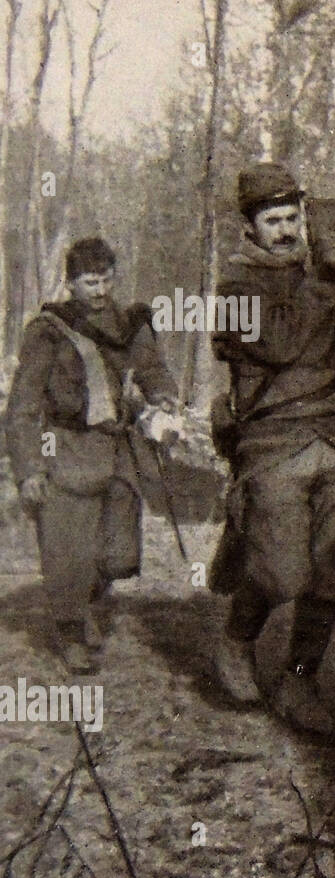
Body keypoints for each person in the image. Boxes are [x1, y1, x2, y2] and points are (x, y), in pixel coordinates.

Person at [207, 162, 335, 736]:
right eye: (272, 220)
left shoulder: (317, 269)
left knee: (334, 572)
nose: (285, 230)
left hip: (332, 428)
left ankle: (301, 676)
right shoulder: (234, 286)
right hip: (272, 436)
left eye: (292, 218)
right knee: (282, 574)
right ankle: (236, 640)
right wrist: (328, 279)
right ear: (251, 227)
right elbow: (280, 344)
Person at [4, 237, 180, 674]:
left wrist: (163, 396)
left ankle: (85, 602)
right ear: (70, 283)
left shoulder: (129, 323)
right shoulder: (49, 330)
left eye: (105, 280)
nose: (99, 291)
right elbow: (23, 406)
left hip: (117, 448)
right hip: (67, 448)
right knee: (69, 551)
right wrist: (28, 470)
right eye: (89, 282)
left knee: (119, 554)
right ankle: (70, 631)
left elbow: (153, 367)